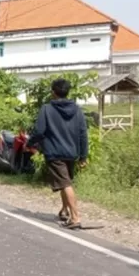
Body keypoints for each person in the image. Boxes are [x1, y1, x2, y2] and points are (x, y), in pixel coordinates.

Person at [27, 78, 88, 229]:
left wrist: (29, 144)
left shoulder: (47, 109)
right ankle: (65, 211)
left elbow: (39, 131)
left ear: (53, 92)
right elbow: (83, 133)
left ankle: (75, 217)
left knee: (65, 183)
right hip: (72, 152)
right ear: (67, 92)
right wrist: (83, 155)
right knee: (64, 181)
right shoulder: (77, 109)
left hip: (55, 152)